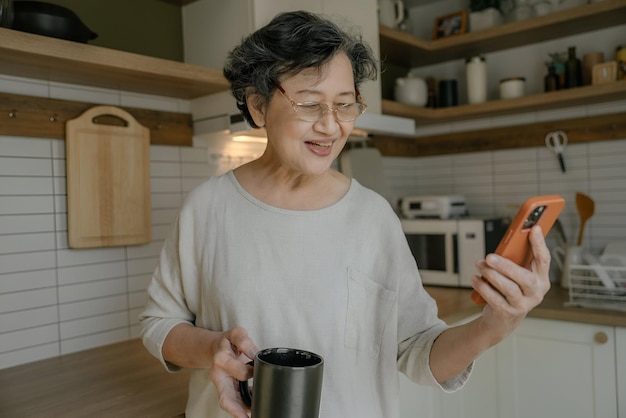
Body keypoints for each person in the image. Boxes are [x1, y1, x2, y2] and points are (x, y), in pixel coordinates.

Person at [139, 10, 551, 418]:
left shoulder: (373, 217)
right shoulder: (207, 207)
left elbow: (418, 349)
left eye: (344, 104)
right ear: (258, 105)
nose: (331, 126)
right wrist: (211, 348)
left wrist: (495, 324)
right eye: (310, 104)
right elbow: (160, 324)